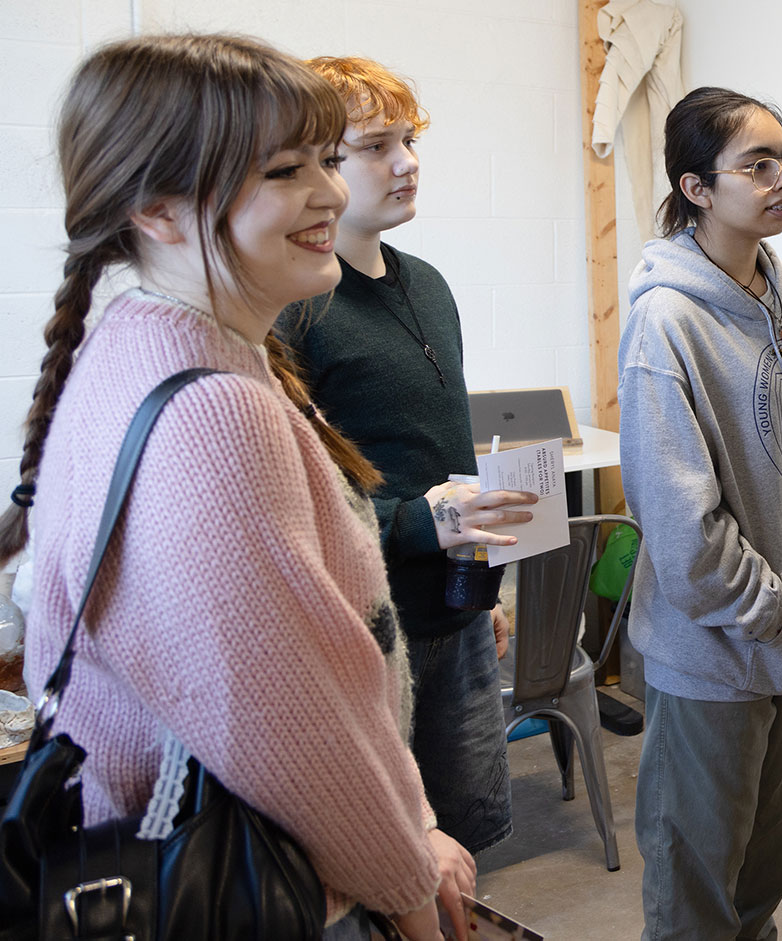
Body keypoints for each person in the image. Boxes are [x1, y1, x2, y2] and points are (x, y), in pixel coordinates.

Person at [4, 34, 471, 940]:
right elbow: (294, 732)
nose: (331, 193)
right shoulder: (214, 412)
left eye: (329, 160)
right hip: (268, 883)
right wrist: (410, 886)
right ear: (159, 209)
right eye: (286, 170)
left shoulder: (143, 342)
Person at [619, 86, 782, 940]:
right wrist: (775, 613)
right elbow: (683, 527)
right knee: (696, 880)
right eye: (756, 166)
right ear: (696, 187)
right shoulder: (667, 321)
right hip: (721, 653)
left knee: (767, 869)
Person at [278, 54, 532, 859]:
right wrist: (428, 523)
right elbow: (303, 503)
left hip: (456, 617)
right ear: (322, 164)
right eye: (377, 146)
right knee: (380, 857)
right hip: (366, 633)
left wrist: (481, 588)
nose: (407, 163)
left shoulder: (430, 283)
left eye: (410, 140)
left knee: (460, 849)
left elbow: (447, 457)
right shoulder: (295, 309)